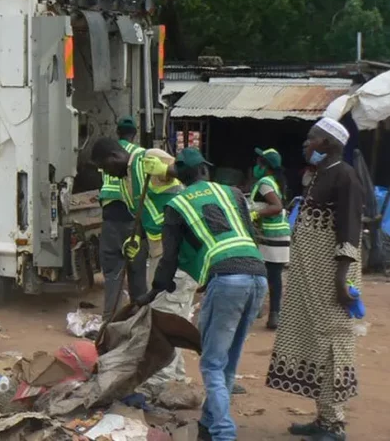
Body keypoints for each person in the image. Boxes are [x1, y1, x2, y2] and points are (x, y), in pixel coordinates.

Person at [137, 147, 267, 441]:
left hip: (226, 281)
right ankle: (208, 424)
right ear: (205, 171)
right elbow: (249, 234)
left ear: (180, 177)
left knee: (211, 363)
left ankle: (223, 433)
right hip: (257, 275)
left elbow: (168, 259)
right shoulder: (233, 193)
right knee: (229, 360)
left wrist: (155, 291)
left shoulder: (177, 204)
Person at [266, 117, 362, 441]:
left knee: (332, 344)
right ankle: (322, 418)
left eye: (311, 140)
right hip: (310, 275)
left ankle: (335, 425)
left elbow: (349, 230)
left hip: (332, 277)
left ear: (327, 143)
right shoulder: (321, 174)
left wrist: (341, 278)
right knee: (313, 342)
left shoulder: (345, 177)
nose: (306, 145)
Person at [90, 137, 195, 394]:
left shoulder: (149, 157)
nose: (106, 174)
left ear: (115, 157)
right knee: (171, 315)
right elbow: (143, 210)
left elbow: (195, 173)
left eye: (104, 167)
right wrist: (137, 237)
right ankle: (176, 379)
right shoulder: (125, 177)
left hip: (181, 253)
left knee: (165, 319)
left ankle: (160, 384)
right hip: (162, 254)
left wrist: (167, 170)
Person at [96, 117, 148, 319]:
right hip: (133, 218)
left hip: (110, 216)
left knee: (112, 273)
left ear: (118, 133)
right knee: (137, 271)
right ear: (134, 134)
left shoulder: (108, 154)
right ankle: (139, 318)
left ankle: (110, 320)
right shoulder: (139, 154)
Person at [249, 148, 290, 330]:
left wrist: (255, 214)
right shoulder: (276, 181)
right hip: (280, 235)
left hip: (270, 236)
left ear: (265, 166)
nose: (256, 166)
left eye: (259, 163)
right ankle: (274, 314)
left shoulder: (265, 182)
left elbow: (276, 206)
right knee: (274, 277)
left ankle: (257, 310)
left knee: (259, 274)